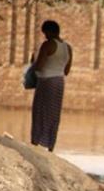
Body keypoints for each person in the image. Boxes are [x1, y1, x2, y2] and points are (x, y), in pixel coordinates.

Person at [30, 20, 72, 152]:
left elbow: (39, 66)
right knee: (53, 115)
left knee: (40, 112)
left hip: (46, 82)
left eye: (45, 33)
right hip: (59, 83)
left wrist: (33, 62)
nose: (45, 36)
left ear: (49, 31)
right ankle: (50, 147)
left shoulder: (47, 44)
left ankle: (35, 143)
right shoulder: (67, 47)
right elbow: (66, 71)